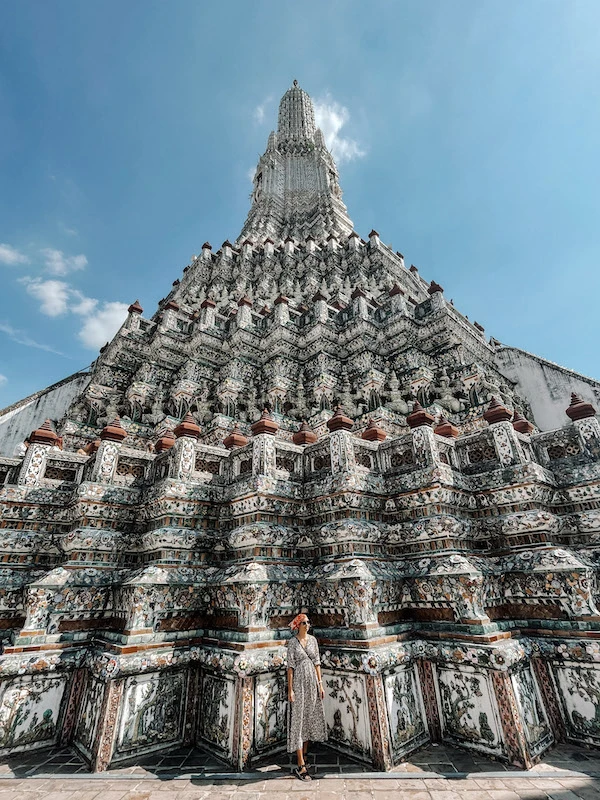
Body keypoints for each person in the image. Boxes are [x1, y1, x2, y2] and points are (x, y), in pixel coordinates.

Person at [287, 613, 326, 781]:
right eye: (304, 623)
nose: (307, 625)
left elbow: (317, 662)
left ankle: (305, 753)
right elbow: (290, 667)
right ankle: (300, 763)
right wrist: (291, 690)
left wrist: (320, 684)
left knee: (309, 717)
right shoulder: (292, 643)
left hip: (312, 683)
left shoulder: (313, 640)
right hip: (299, 683)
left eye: (308, 622)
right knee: (298, 719)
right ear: (297, 625)